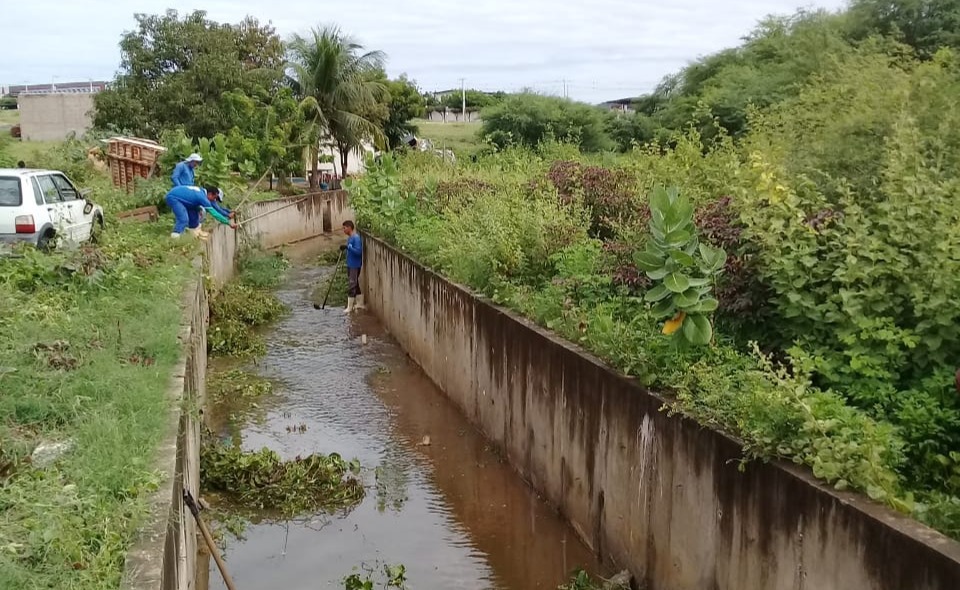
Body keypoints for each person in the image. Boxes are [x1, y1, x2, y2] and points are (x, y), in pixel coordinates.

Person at [164, 185, 236, 239]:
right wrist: (228, 223)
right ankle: (175, 237)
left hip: (183, 199)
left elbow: (191, 200)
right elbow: (215, 213)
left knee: (195, 214)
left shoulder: (201, 192)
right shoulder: (203, 198)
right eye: (214, 198)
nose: (214, 200)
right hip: (173, 198)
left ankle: (193, 234)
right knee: (183, 219)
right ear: (210, 194)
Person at [340, 220, 365, 313]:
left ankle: (349, 307)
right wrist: (346, 248)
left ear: (349, 227)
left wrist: (349, 248)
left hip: (355, 265)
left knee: (352, 284)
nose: (343, 230)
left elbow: (358, 252)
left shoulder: (356, 238)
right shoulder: (350, 238)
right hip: (350, 264)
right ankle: (360, 303)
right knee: (355, 283)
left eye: (344, 228)